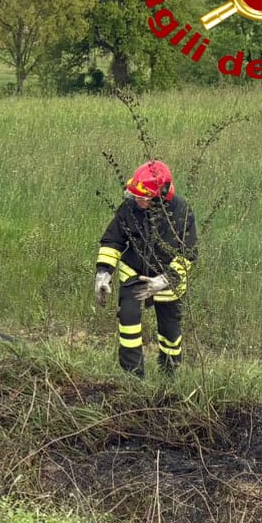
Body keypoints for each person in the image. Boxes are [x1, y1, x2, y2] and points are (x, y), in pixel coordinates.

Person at [94, 159, 198, 377]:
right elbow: (113, 240)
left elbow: (188, 254)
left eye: (143, 197)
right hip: (134, 272)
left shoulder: (182, 211)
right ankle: (133, 377)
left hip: (168, 279)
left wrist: (166, 279)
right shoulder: (129, 208)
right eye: (135, 196)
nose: (137, 200)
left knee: (170, 332)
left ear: (160, 196)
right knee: (128, 320)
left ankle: (169, 375)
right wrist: (103, 273)